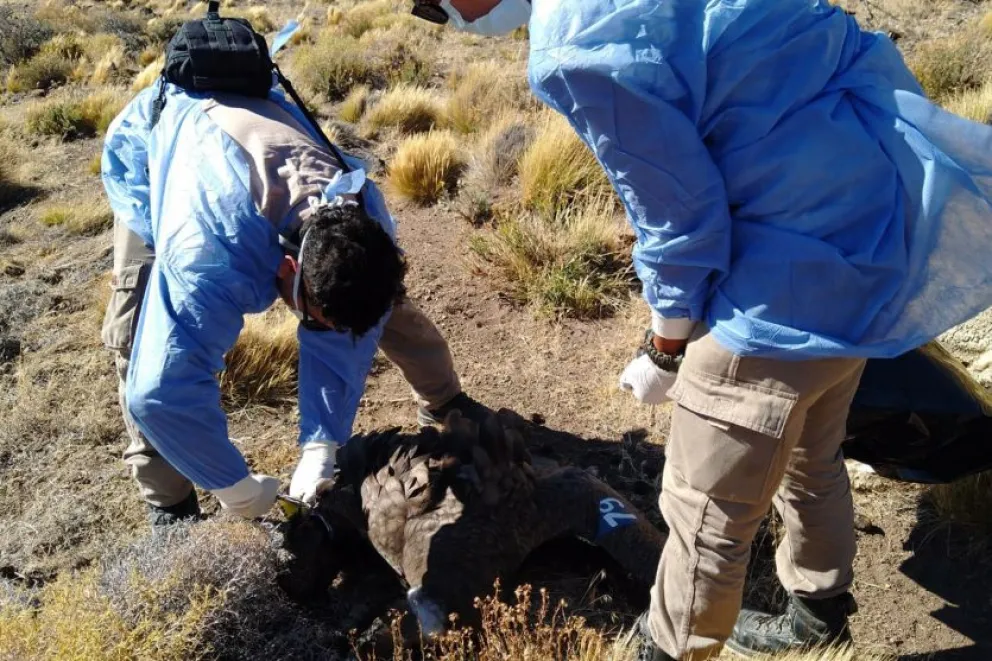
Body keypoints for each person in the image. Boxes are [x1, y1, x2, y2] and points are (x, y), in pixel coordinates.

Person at [407, 0, 992, 658]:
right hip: (865, 223)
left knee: (703, 508)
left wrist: (664, 346)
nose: (444, 16)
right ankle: (817, 616)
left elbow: (682, 219)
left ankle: (670, 647)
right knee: (811, 452)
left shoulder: (574, 43)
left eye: (436, 5)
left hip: (782, 278)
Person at [99, 75, 491, 528]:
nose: (324, 331)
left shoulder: (364, 215)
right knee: (142, 337)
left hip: (254, 131)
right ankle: (168, 501)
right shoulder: (204, 252)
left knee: (369, 306)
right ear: (286, 269)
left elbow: (349, 325)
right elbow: (160, 391)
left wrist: (321, 445)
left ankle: (442, 399)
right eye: (314, 319)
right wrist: (234, 486)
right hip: (163, 151)